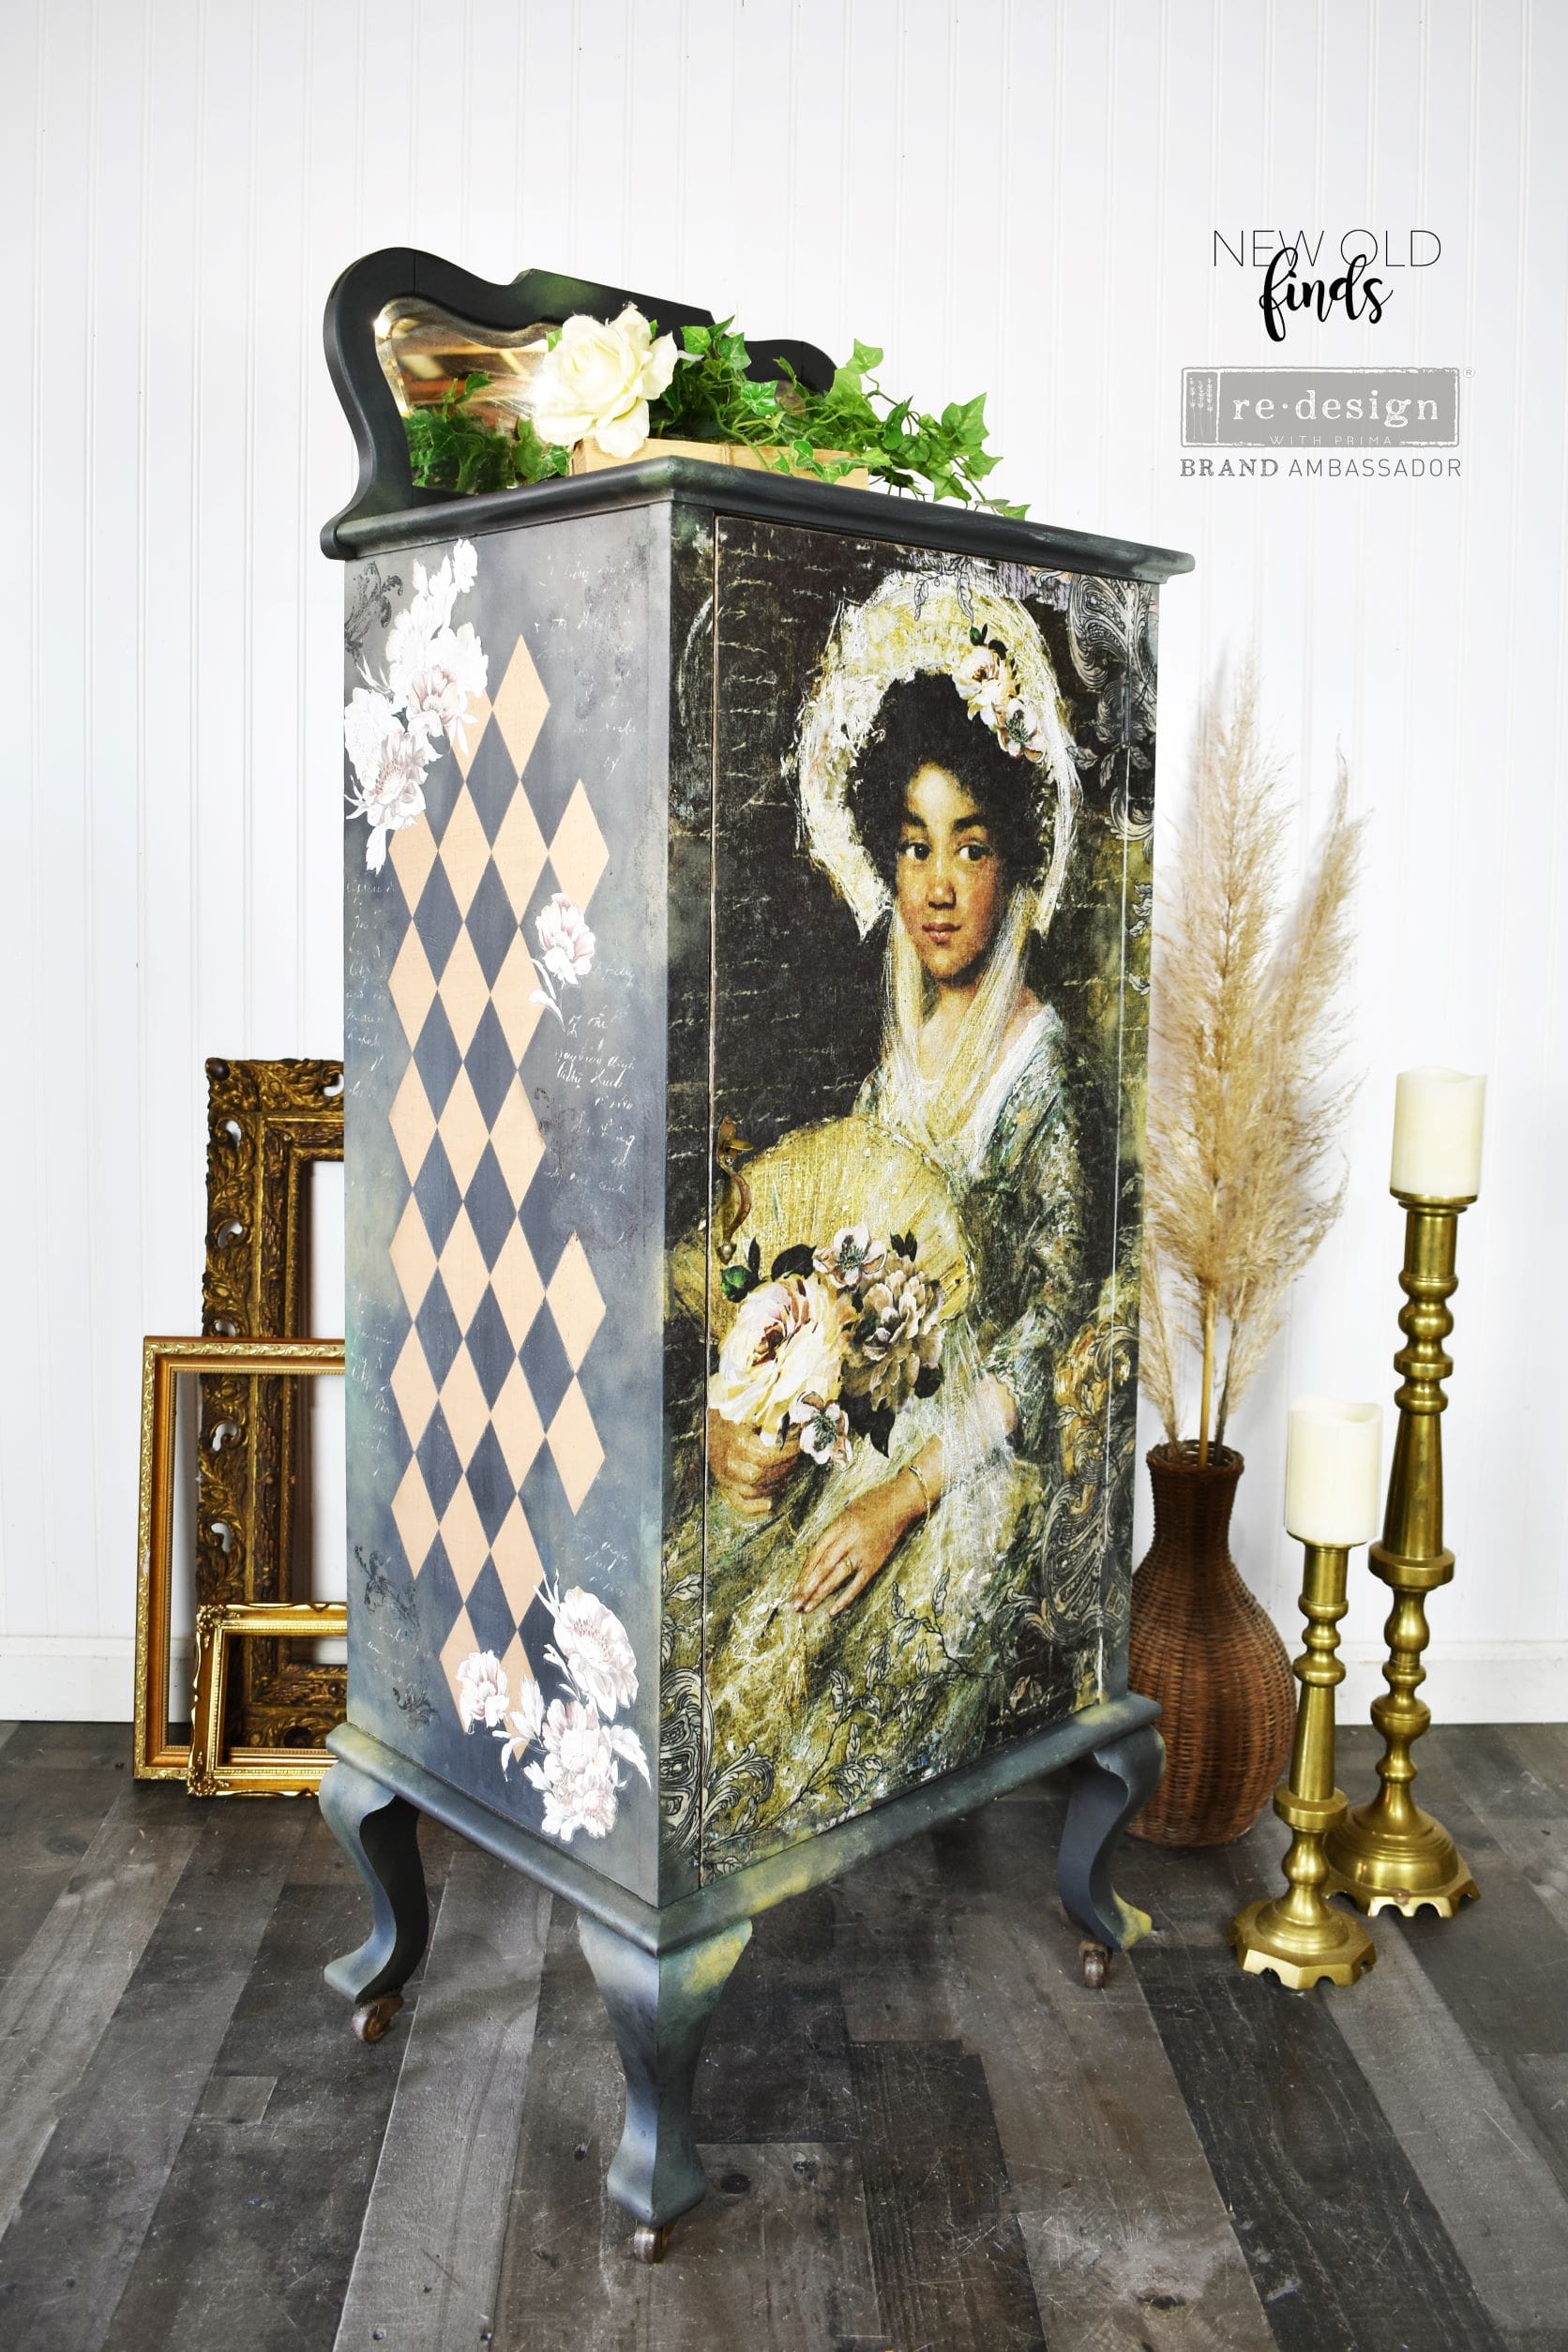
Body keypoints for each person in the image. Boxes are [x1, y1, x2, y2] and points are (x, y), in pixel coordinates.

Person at [664, 622, 1093, 1877]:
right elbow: (818, 1249)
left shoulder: (1043, 1072)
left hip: (970, 1459)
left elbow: (1048, 1334)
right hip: (862, 1413)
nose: (939, 886)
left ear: (1015, 860)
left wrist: (904, 1496)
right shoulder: (898, 1051)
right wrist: (755, 1407)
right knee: (709, 1584)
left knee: (818, 1661)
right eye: (915, 846)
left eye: (971, 845)